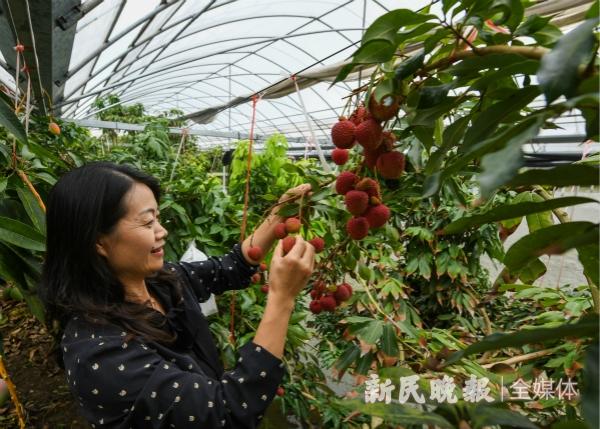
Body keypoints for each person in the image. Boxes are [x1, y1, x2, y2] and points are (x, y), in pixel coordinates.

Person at [39, 161, 316, 428]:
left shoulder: (162, 281)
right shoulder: (98, 353)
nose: (162, 231)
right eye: (147, 223)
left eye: (158, 218)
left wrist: (280, 211)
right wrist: (281, 298)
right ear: (98, 241)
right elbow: (226, 414)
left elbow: (232, 266)